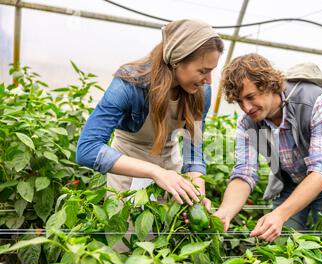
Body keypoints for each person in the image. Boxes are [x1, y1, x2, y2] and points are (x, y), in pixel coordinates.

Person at [76, 19, 224, 211]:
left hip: (171, 166)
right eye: (203, 71)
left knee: (168, 232)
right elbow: (87, 149)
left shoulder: (201, 91)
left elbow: (193, 153)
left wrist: (197, 193)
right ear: (177, 61)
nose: (209, 80)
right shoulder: (129, 84)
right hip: (129, 164)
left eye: (211, 71)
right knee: (128, 234)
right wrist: (156, 172)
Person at [214, 53, 322, 242]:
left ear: (269, 85)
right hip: (291, 182)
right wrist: (224, 212)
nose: (247, 108)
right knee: (281, 246)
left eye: (250, 97)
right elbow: (244, 172)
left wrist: (280, 214)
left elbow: (321, 170)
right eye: (240, 102)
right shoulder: (248, 125)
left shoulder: (316, 101)